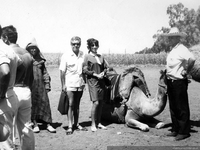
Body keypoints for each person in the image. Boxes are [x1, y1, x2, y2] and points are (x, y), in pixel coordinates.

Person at [0, 25, 35, 149]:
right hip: (25, 90)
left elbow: (5, 72)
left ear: (5, 38)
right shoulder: (27, 53)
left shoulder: (5, 50)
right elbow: (31, 76)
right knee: (26, 127)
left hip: (12, 91)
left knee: (7, 131)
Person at [161, 27, 196, 141]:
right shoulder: (173, 50)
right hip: (171, 81)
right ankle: (176, 128)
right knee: (173, 106)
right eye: (169, 38)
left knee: (181, 107)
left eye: (172, 38)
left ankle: (184, 131)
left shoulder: (182, 49)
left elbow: (192, 59)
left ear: (177, 38)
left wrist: (186, 70)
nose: (170, 40)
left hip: (179, 82)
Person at [26, 38, 56, 133]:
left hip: (41, 86)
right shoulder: (26, 60)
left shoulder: (41, 61)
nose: (33, 50)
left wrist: (47, 84)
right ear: (28, 49)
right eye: (31, 48)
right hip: (31, 86)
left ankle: (48, 124)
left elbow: (45, 73)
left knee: (45, 103)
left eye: (35, 48)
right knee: (33, 104)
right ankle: (34, 124)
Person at [59, 36, 87, 135]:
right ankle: (70, 126)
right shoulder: (66, 55)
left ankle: (77, 123)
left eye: (78, 44)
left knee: (77, 105)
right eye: (74, 44)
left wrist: (85, 82)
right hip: (69, 83)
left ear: (80, 44)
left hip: (80, 83)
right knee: (70, 104)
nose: (76, 45)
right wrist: (63, 85)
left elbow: (85, 69)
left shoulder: (83, 55)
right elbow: (62, 72)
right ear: (71, 44)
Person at [83, 38, 109, 132]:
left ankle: (99, 123)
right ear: (89, 47)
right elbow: (85, 70)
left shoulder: (101, 56)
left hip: (101, 82)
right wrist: (95, 74)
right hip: (93, 82)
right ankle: (93, 124)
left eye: (96, 45)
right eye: (92, 45)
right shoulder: (87, 57)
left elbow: (106, 67)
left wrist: (103, 73)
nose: (94, 47)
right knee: (96, 102)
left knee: (101, 103)